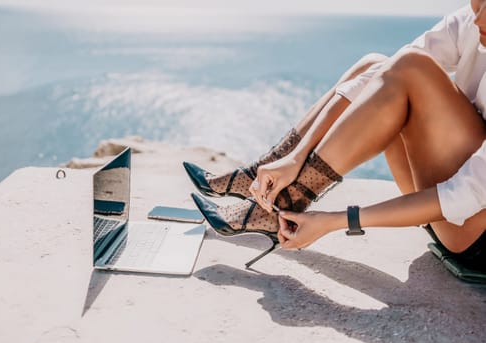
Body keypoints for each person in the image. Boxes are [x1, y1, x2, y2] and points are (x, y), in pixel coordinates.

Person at [184, 1, 486, 267]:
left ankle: (289, 199)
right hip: (442, 207)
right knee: (376, 64)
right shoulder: (471, 21)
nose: (479, 19)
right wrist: (294, 156)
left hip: (471, 232)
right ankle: (264, 173)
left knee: (412, 69)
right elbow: (385, 73)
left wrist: (335, 221)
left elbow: (466, 194)